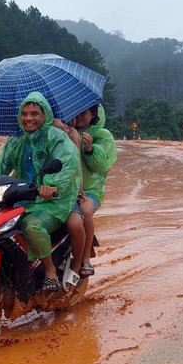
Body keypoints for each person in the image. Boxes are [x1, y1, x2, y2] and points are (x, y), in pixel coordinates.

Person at [0, 92, 80, 294]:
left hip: (51, 201)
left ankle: (50, 271)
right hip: (20, 196)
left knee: (31, 225)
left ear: (44, 115)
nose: (28, 118)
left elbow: (67, 163)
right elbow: (0, 165)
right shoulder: (16, 139)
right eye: (24, 114)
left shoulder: (56, 137)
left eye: (34, 113)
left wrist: (52, 185)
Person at [53, 104, 116, 281]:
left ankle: (85, 259)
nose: (79, 115)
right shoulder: (64, 130)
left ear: (94, 115)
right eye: (76, 111)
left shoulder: (102, 135)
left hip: (89, 189)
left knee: (85, 210)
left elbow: (103, 164)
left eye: (84, 112)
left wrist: (90, 150)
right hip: (65, 187)